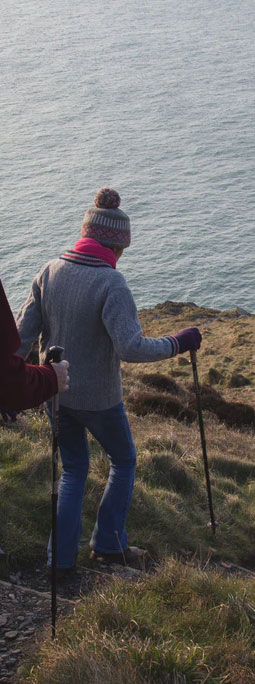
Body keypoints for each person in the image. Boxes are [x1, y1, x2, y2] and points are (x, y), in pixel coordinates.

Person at [15, 187, 202, 574]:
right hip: (100, 399)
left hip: (56, 394)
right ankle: (109, 544)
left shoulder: (48, 271)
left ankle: (60, 561)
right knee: (124, 460)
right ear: (114, 246)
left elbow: (21, 339)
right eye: (122, 250)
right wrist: (178, 342)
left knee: (73, 470)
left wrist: (10, 390)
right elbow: (130, 347)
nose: (121, 257)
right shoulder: (111, 283)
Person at [1, 278, 70, 417]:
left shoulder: (47, 273)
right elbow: (5, 374)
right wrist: (49, 378)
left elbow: (25, 328)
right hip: (100, 400)